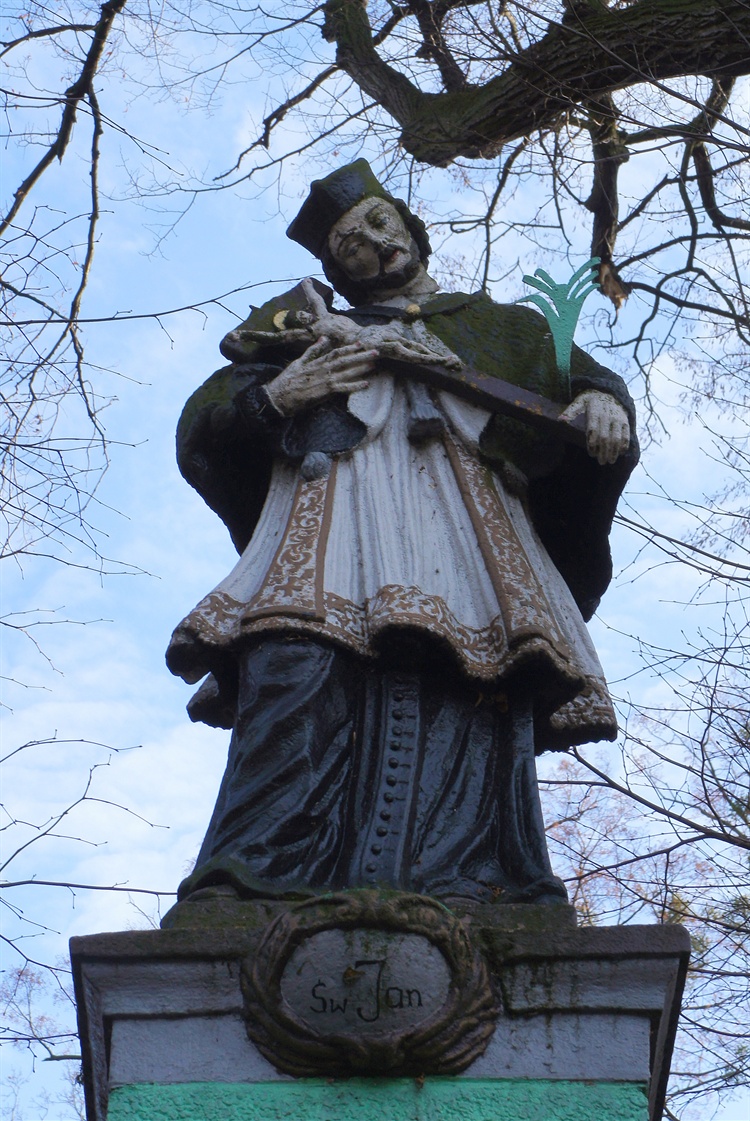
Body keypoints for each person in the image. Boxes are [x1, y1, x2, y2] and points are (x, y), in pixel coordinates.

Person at [167, 160, 637, 907]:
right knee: (293, 658)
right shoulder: (294, 328)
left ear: (410, 228)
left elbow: (575, 379)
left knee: (475, 670)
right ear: (336, 269)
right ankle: (252, 873)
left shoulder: (500, 326)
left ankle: (474, 875)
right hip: (331, 507)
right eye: (348, 244)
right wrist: (279, 396)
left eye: (379, 223)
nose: (372, 243)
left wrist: (603, 399)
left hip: (464, 517)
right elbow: (207, 418)